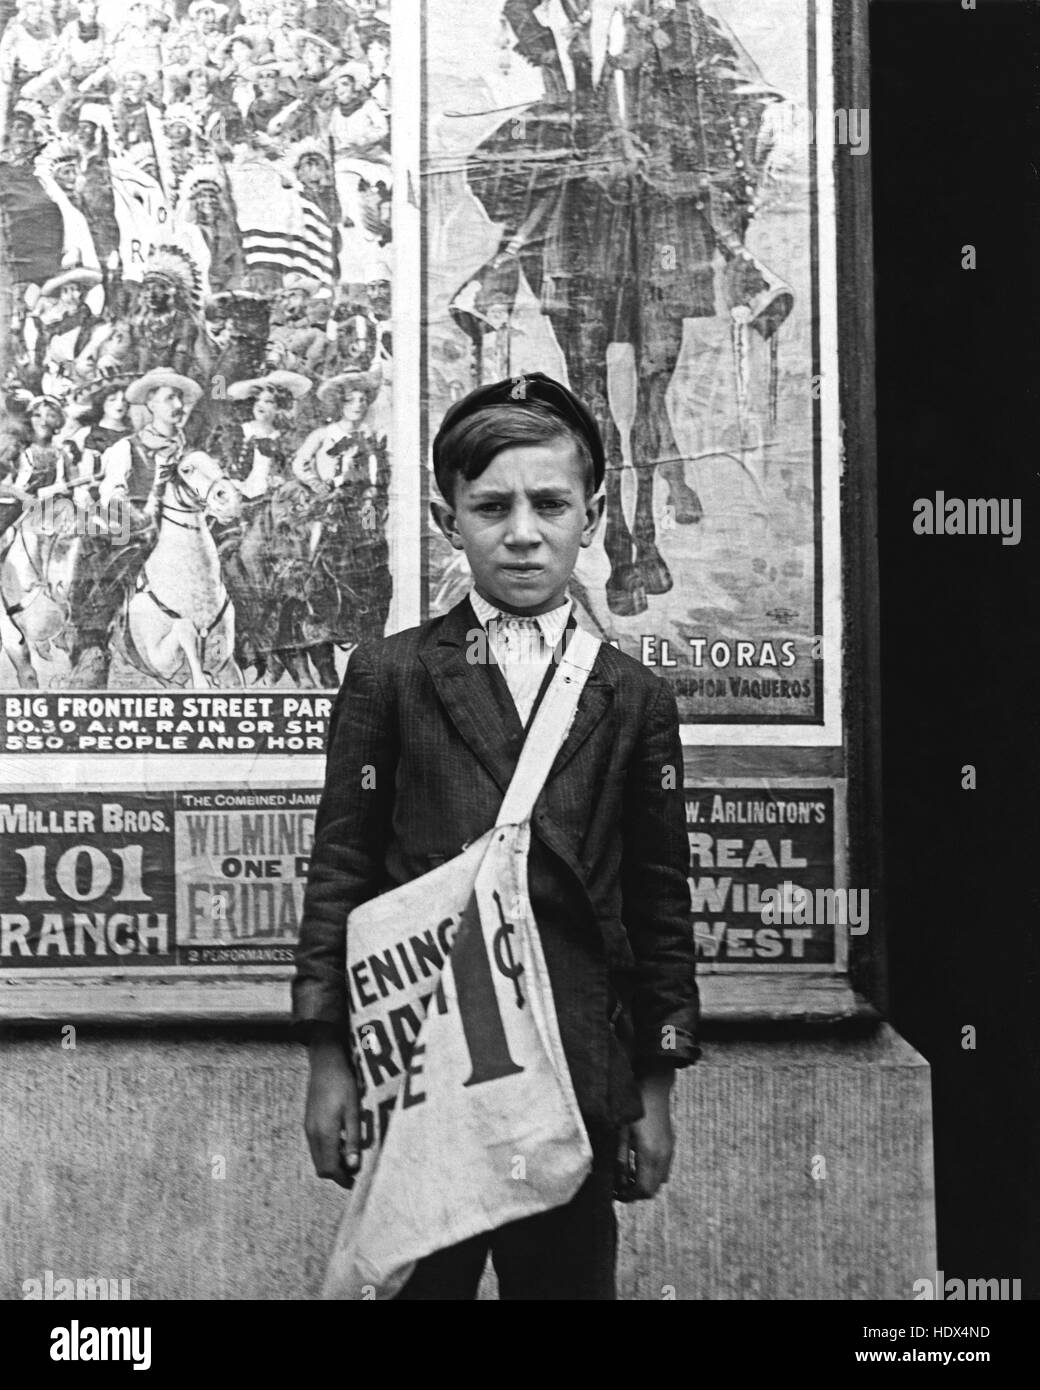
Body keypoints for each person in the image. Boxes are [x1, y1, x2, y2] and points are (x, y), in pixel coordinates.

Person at [293, 371, 699, 1300]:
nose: (523, 532)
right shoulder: (391, 675)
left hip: (570, 1070)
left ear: (592, 517)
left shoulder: (632, 697)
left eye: (551, 503)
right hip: (427, 1066)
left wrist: (654, 1087)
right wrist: (329, 1065)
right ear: (450, 522)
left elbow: (658, 897)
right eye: (492, 506)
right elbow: (342, 871)